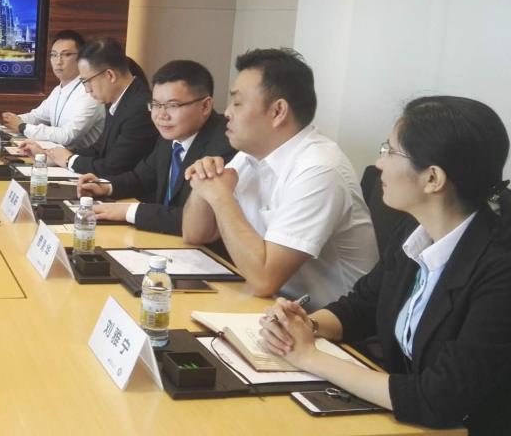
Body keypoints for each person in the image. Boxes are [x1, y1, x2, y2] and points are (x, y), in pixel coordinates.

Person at [260, 96, 511, 433]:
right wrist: (306, 325)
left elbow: (439, 398)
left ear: (432, 178)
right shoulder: (416, 229)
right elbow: (363, 305)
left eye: (390, 151)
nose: (379, 164)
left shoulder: (500, 270)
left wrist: (310, 357)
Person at [182, 48, 377, 306]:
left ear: (278, 111)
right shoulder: (250, 155)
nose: (226, 112)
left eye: (237, 103)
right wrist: (204, 185)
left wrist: (220, 197)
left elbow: (264, 279)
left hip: (325, 321)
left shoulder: (319, 169)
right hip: (271, 308)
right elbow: (195, 235)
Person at [78, 60, 233, 235]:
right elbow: (142, 178)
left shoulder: (225, 146)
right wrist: (106, 186)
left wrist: (128, 211)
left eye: (173, 106)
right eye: (156, 105)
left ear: (205, 106)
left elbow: (198, 220)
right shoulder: (170, 135)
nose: (161, 116)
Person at [25, 37, 157, 177]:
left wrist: (69, 160)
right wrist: (51, 155)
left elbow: (114, 168)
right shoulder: (119, 100)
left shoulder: (140, 108)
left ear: (110, 75)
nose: (87, 90)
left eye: (86, 81)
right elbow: (99, 150)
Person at [0, 30, 104, 150]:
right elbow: (37, 116)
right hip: (58, 157)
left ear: (81, 58)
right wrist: (13, 120)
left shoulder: (90, 92)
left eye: (66, 54)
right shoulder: (58, 90)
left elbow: (68, 136)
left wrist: (22, 126)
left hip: (81, 160)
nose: (58, 62)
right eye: (54, 55)